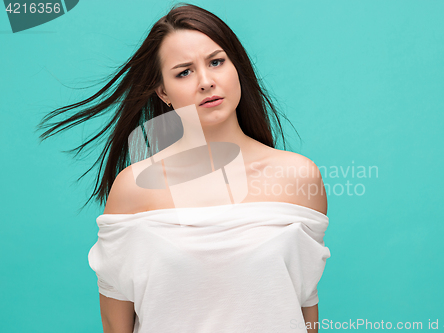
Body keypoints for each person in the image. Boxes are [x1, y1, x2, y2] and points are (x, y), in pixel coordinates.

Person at [37, 3, 330, 333]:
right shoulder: (133, 188)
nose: (206, 81)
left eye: (217, 62)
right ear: (163, 92)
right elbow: (115, 325)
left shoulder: (298, 177)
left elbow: (305, 313)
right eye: (184, 72)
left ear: (237, 68)